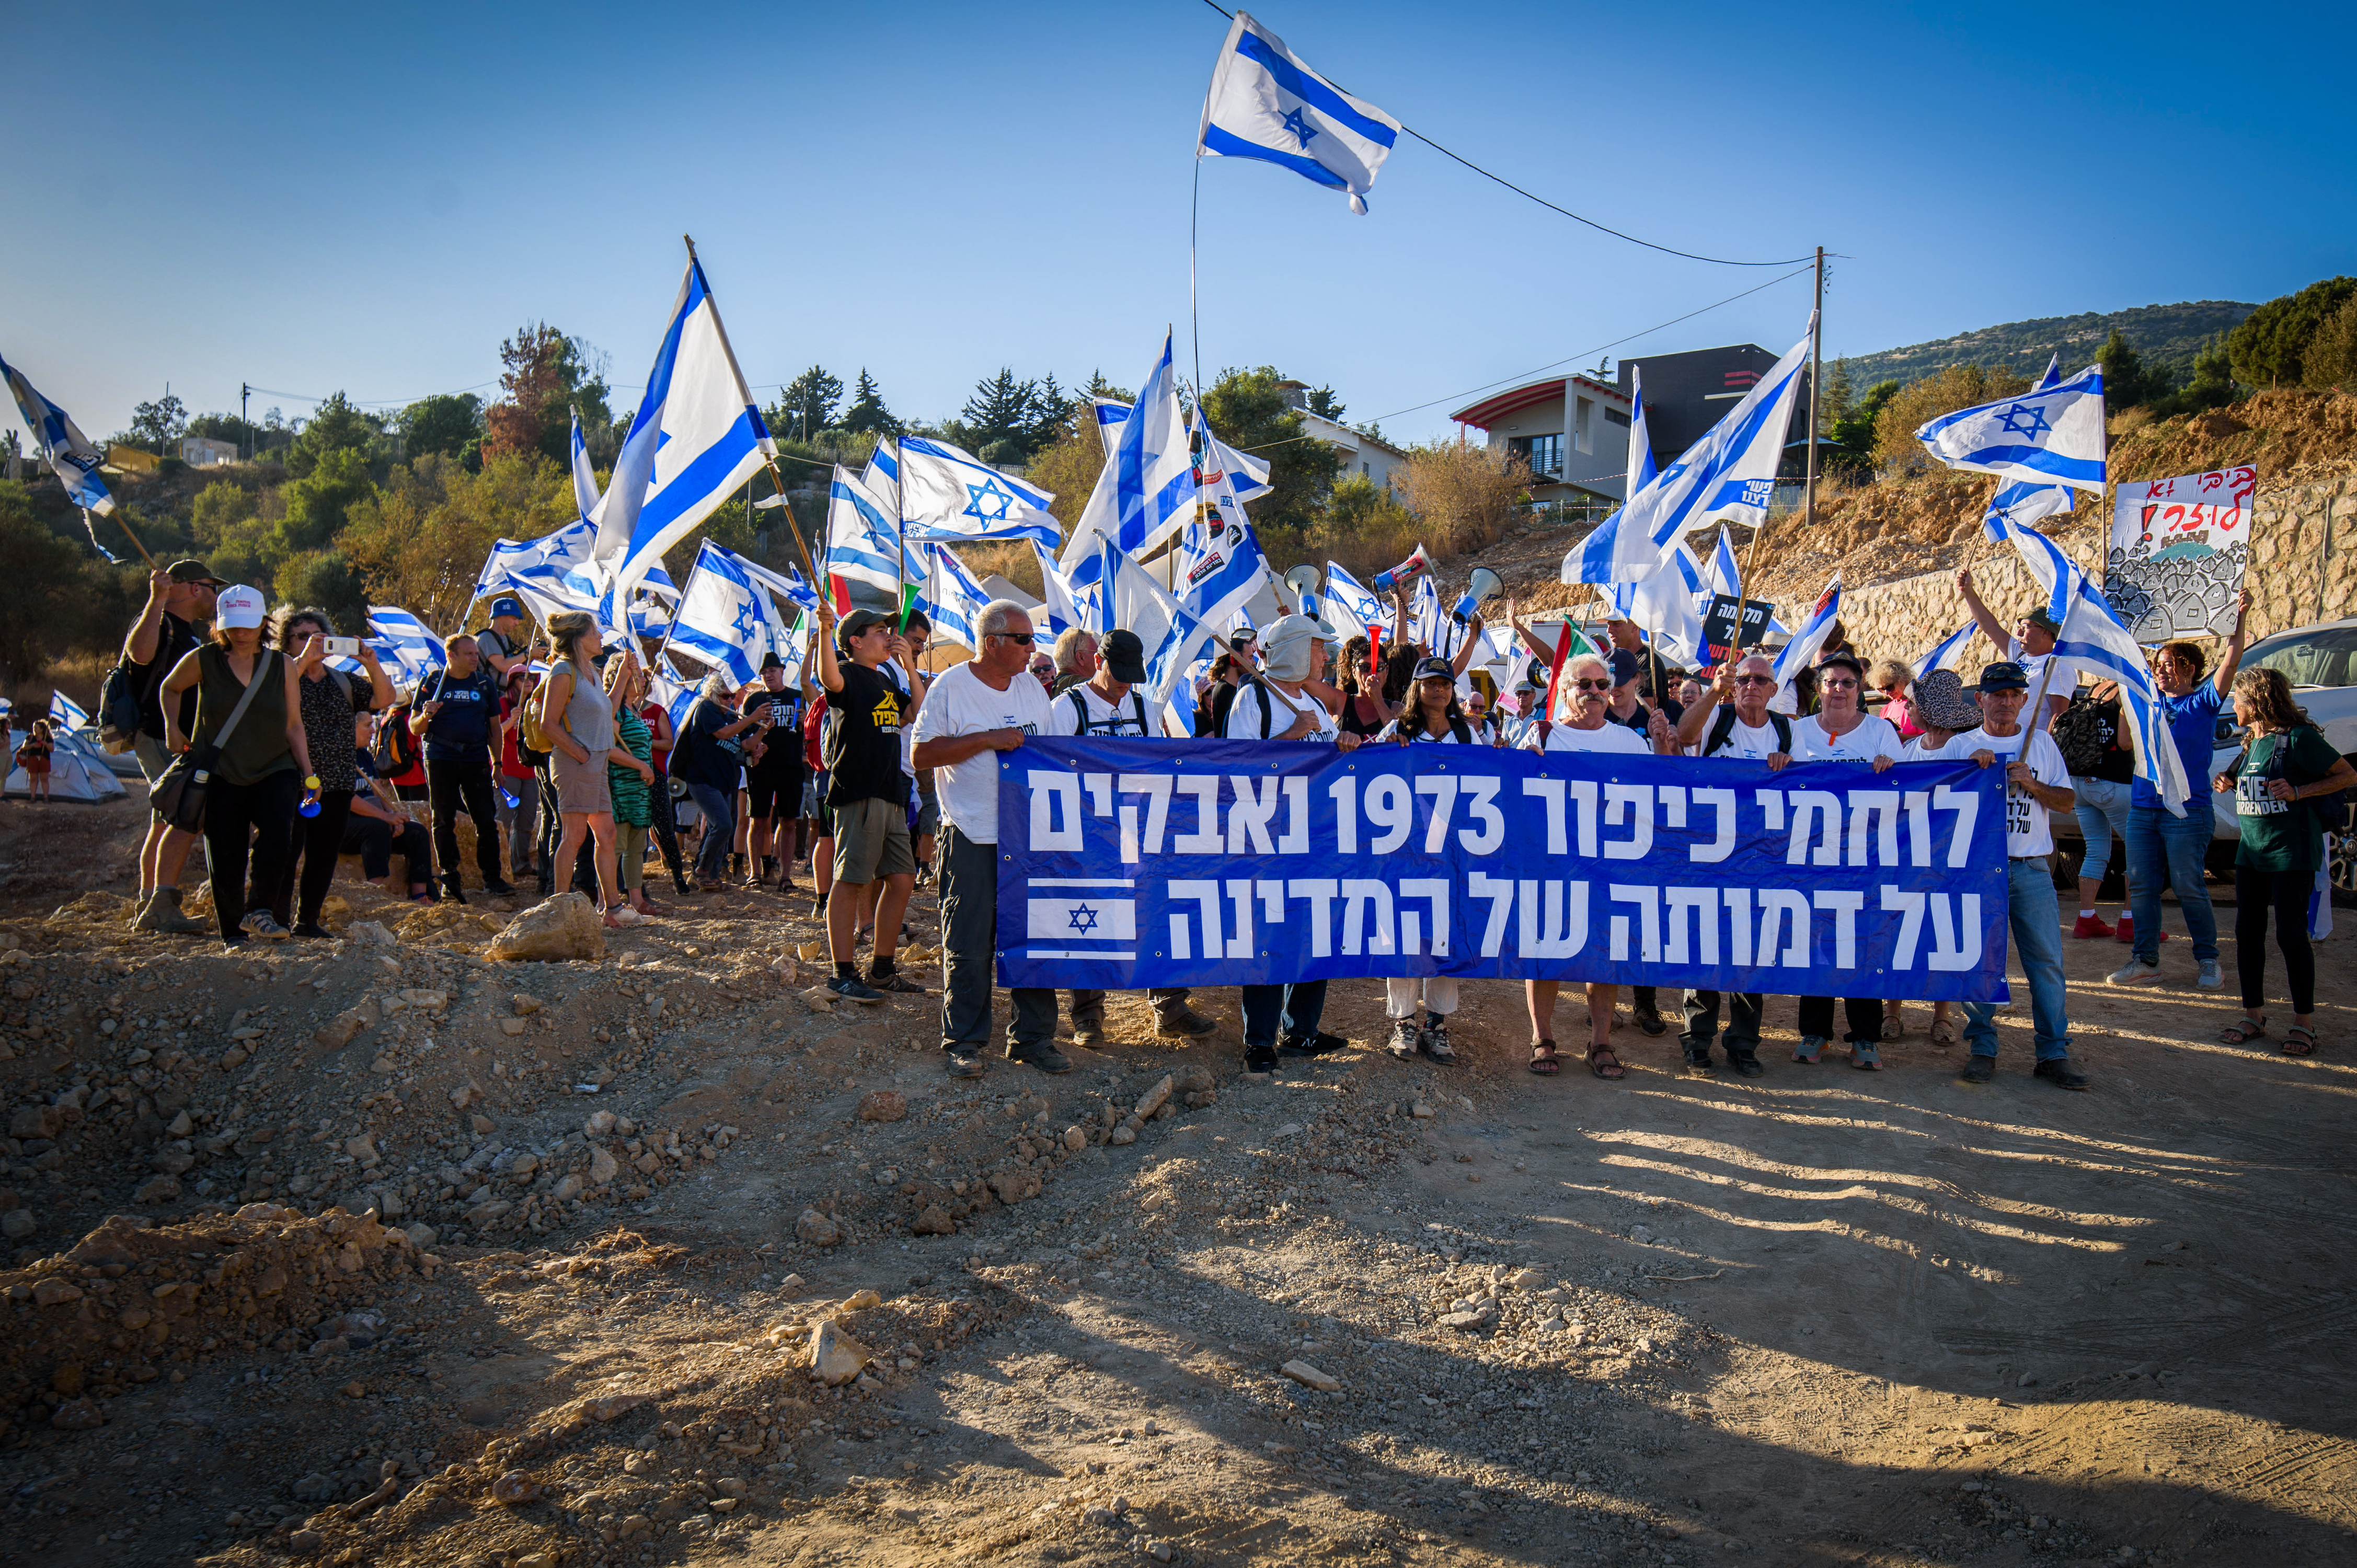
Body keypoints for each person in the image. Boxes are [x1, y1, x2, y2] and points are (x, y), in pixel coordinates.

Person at [910, 598, 1063, 1078]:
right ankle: (965, 1040)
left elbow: (1054, 752)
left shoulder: (1032, 690)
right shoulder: (952, 687)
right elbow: (920, 754)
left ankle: (1033, 1039)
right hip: (972, 834)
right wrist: (986, 739)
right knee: (969, 942)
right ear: (991, 642)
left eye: (1031, 639)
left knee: (1035, 940)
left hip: (1030, 837)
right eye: (1022, 639)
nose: (1031, 648)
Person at [1047, 628, 1218, 1047]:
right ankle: (1087, 1016)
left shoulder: (1144, 707)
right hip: (1088, 832)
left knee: (1156, 911)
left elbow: (1162, 767)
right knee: (1086, 916)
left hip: (1140, 831)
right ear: (1097, 661)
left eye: (1131, 674)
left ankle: (1169, 1006)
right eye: (1117, 672)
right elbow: (1047, 766)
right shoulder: (1066, 708)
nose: (1124, 682)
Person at [1928, 662, 2083, 1089]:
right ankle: (1982, 1047)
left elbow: (2067, 802)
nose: (2007, 703)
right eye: (1998, 695)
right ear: (1980, 700)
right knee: (1980, 964)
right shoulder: (1961, 747)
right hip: (1976, 872)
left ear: (2023, 700)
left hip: (2029, 868)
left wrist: (2032, 785)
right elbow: (1929, 801)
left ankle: (2053, 1051)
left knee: (2046, 964)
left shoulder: (2043, 745)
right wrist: (1967, 776)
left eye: (2015, 694)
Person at [1223, 613, 1358, 1073]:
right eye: (1319, 647)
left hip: (1315, 840)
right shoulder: (1253, 698)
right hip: (1269, 843)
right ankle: (1258, 1040)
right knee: (1268, 937)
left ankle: (1301, 1027)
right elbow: (1234, 767)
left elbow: (1324, 761)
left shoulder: (1316, 706)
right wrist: (1288, 737)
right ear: (1298, 650)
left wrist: (1343, 741)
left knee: (1313, 931)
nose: (1326, 656)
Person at [156, 586, 313, 947]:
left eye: (248, 624)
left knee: (278, 834)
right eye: (233, 625)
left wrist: (307, 771)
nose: (241, 632)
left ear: (263, 623)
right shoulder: (203, 659)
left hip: (275, 766)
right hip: (221, 769)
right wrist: (172, 726)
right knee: (225, 851)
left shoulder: (282, 666)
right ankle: (232, 932)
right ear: (221, 625)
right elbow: (170, 688)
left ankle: (261, 911)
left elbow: (293, 724)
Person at [2112, 589, 2252, 990]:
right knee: (2139, 883)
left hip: (2187, 810)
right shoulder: (2146, 702)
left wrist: (2238, 619)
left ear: (2191, 669)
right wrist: (2128, 696)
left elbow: (2232, 658)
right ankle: (2144, 961)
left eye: (2170, 664)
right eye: (2158, 664)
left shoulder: (2204, 701)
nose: (2161, 670)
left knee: (2189, 884)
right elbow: (2124, 743)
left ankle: (2208, 961)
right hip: (2143, 808)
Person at [2213, 667, 2356, 1057]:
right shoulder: (2252, 742)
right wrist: (2225, 781)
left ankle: (2303, 1022)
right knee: (2247, 934)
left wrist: (2300, 791)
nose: (2234, 706)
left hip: (2290, 854)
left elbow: (2345, 775)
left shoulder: (2299, 738)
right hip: (2252, 855)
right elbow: (2247, 781)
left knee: (2291, 936)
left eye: (2238, 699)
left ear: (2255, 700)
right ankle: (2252, 1015)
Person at [1526, 653, 1655, 1078]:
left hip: (1610, 870)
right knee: (1546, 952)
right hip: (1552, 866)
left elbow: (1660, 800)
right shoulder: (1542, 734)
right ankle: (1542, 1039)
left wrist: (1667, 745)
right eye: (1584, 685)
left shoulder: (1629, 743)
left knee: (1604, 955)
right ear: (1564, 690)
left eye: (1602, 684)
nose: (1596, 692)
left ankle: (1600, 1042)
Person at [1668, 654, 1796, 1078]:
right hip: (1709, 857)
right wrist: (1713, 692)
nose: (1751, 686)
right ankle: (1696, 1040)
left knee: (1751, 953)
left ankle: (1743, 1043)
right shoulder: (1717, 719)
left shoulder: (1784, 730)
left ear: (1774, 690)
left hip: (1761, 860)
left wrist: (1786, 764)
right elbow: (1685, 735)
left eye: (1760, 679)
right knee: (1705, 949)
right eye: (1743, 679)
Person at [1786, 651, 1903, 1068]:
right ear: (1818, 689)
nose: (1838, 690)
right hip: (1811, 858)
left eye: (1847, 683)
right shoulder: (1796, 731)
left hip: (1865, 861)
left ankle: (1865, 1037)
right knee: (1815, 944)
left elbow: (1904, 793)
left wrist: (1890, 771)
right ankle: (1814, 1033)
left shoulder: (1880, 732)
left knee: (1861, 945)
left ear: (1861, 690)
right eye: (1830, 682)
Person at [817, 606, 925, 1002]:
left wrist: (909, 666)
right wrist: (825, 632)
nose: (888, 635)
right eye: (880, 631)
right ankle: (841, 973)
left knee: (901, 879)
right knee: (850, 881)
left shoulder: (884, 679)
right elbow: (827, 676)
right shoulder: (846, 674)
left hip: (890, 792)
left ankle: (881, 969)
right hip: (859, 790)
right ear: (855, 642)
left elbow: (915, 712)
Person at [1374, 655, 1477, 1062]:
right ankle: (1403, 1022)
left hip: (1454, 853)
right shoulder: (1398, 730)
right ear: (1416, 689)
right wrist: (1386, 750)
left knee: (1446, 934)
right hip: (1406, 852)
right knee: (1405, 934)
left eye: (1445, 684)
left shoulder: (1468, 735)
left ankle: (1437, 1023)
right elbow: (1368, 773)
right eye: (1430, 683)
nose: (1438, 690)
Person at [268, 607, 392, 938]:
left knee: (322, 856)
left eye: (318, 637)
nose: (311, 643)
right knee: (286, 852)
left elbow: (385, 698)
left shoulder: (343, 681)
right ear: (287, 643)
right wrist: (304, 660)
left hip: (337, 782)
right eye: (302, 637)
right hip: (291, 780)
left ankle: (307, 921)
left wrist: (372, 664)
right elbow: (270, 695)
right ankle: (275, 921)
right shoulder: (281, 675)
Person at [122, 559, 224, 935]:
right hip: (164, 736)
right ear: (195, 588)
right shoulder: (160, 621)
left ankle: (150, 903)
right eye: (213, 588)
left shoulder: (189, 634)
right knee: (180, 816)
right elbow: (140, 655)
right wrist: (157, 600)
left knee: (164, 820)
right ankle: (160, 904)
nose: (216, 597)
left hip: (179, 739)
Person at [1887, 669, 1980, 1048]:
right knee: (1898, 929)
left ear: (1930, 709)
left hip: (1950, 857)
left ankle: (1942, 1016)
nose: (1906, 707)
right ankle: (1891, 1011)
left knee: (1943, 933)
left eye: (1912, 703)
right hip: (1908, 854)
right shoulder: (1908, 750)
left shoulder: (1964, 749)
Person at [537, 611, 626, 927]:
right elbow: (549, 723)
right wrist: (582, 755)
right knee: (573, 835)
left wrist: (624, 676)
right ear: (579, 638)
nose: (601, 636)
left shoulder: (590, 671)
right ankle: (558, 908)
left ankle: (613, 910)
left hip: (596, 764)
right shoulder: (563, 671)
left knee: (607, 834)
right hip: (576, 764)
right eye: (595, 632)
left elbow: (608, 712)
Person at [410, 635, 513, 903]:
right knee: (443, 819)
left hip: (476, 758)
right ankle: (450, 875)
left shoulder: (484, 684)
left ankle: (493, 877)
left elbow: (494, 728)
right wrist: (426, 715)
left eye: (475, 653)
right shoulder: (433, 683)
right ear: (451, 656)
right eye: (467, 654)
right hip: (440, 756)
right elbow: (414, 727)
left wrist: (497, 763)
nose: (474, 658)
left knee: (486, 820)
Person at [2049, 677, 2135, 940]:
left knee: (2096, 849)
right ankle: (2132, 922)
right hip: (2113, 783)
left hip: (2080, 783)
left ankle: (2086, 918)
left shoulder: (2095, 689)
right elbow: (2125, 742)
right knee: (2140, 850)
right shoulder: (2126, 690)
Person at [671, 673, 766, 892]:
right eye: (725, 696)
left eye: (732, 696)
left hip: (723, 781)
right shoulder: (707, 709)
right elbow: (722, 734)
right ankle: (702, 871)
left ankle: (709, 876)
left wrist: (762, 731)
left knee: (720, 827)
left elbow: (744, 744)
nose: (729, 700)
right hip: (702, 779)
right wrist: (751, 718)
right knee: (723, 825)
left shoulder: (731, 717)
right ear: (713, 694)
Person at [1955, 568, 2069, 728]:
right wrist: (1968, 592)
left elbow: (2060, 717)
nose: (2019, 632)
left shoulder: (2057, 666)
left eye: (2026, 626)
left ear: (2045, 632)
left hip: (2033, 748)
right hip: (2011, 741)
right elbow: (1990, 626)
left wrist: (2044, 748)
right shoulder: (2019, 655)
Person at [346, 712, 437, 901]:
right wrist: (384, 817)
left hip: (374, 817)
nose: (373, 730)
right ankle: (376, 892)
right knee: (377, 828)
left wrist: (394, 816)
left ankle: (420, 895)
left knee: (417, 832)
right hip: (346, 824)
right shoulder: (338, 757)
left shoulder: (364, 755)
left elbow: (379, 793)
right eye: (367, 725)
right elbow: (348, 800)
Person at [741, 652, 812, 890]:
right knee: (758, 820)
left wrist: (805, 719)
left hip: (791, 766)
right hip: (761, 768)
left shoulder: (797, 697)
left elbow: (814, 729)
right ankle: (755, 873)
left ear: (782, 671)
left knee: (789, 821)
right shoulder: (754, 700)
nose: (768, 675)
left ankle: (786, 876)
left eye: (772, 670)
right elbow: (743, 733)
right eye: (764, 672)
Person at [605, 655, 662, 918]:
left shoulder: (635, 709)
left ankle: (637, 900)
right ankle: (607, 901)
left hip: (640, 788)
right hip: (621, 784)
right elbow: (609, 748)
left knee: (637, 846)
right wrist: (640, 766)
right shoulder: (616, 709)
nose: (641, 679)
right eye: (635, 673)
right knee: (615, 844)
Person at [495, 666, 544, 889]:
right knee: (503, 821)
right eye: (523, 678)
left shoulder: (534, 705)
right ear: (512, 681)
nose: (529, 682)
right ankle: (499, 868)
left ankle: (520, 864)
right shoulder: (502, 704)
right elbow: (494, 733)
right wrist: (510, 720)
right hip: (506, 771)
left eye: (532, 678)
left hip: (530, 771)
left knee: (525, 822)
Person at [474, 595, 534, 679]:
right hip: (490, 691)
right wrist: (528, 654)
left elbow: (514, 667)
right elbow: (503, 666)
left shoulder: (505, 638)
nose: (517, 623)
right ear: (501, 616)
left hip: (504, 691)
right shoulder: (487, 637)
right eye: (514, 618)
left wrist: (531, 657)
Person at [1869, 659, 1919, 740]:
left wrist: (1895, 737)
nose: (1887, 692)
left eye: (1890, 687)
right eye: (1882, 689)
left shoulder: (1917, 705)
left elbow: (1928, 739)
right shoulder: (1885, 710)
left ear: (1902, 680)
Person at [1050, 628, 1098, 695]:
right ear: (1081, 658)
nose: (1101, 657)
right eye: (1097, 653)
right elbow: (1108, 686)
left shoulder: (1056, 686)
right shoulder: (1080, 685)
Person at [14, 719, 52, 803]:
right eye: (34, 727)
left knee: (44, 779)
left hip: (44, 759)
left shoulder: (48, 738)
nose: (34, 729)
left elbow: (52, 749)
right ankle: (33, 797)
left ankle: (46, 798)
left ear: (42, 729)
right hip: (32, 759)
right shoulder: (30, 737)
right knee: (33, 779)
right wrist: (32, 745)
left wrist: (45, 744)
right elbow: (24, 747)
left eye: (36, 727)